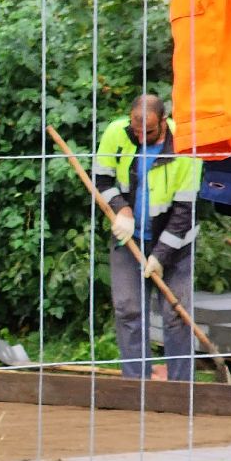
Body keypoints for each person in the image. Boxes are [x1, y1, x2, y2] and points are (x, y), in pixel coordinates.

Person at [93, 95, 201, 381]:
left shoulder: (186, 144)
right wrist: (122, 210)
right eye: (136, 130)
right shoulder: (117, 133)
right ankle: (135, 384)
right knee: (128, 309)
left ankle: (180, 388)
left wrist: (160, 256)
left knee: (175, 314)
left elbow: (185, 211)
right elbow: (101, 179)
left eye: (148, 132)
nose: (140, 137)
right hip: (129, 238)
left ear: (163, 122)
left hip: (176, 244)